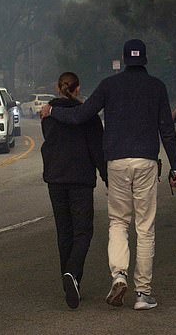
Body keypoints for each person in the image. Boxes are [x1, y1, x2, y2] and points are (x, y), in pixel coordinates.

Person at [40, 39, 176, 311]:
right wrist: (175, 167)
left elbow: (81, 115)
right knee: (145, 227)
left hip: (116, 162)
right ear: (146, 60)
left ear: (124, 59)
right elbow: (166, 129)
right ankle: (143, 293)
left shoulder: (109, 85)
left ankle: (118, 275)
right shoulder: (157, 87)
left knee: (118, 221)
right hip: (145, 160)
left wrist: (53, 110)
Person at [40, 72, 107, 310]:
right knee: (83, 231)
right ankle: (72, 273)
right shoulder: (87, 117)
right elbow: (98, 150)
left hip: (55, 179)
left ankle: (69, 281)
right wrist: (107, 178)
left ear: (58, 88)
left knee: (64, 231)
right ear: (78, 89)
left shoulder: (47, 115)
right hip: (80, 179)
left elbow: (49, 140)